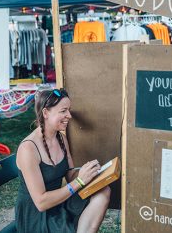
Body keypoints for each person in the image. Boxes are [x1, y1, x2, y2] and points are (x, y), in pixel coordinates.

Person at [15, 88, 110, 233]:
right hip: (37, 216)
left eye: (69, 110)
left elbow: (70, 175)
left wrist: (87, 173)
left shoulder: (61, 138)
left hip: (59, 201)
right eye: (63, 111)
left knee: (103, 191)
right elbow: (41, 202)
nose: (69, 115)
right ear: (46, 113)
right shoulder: (28, 149)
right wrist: (79, 182)